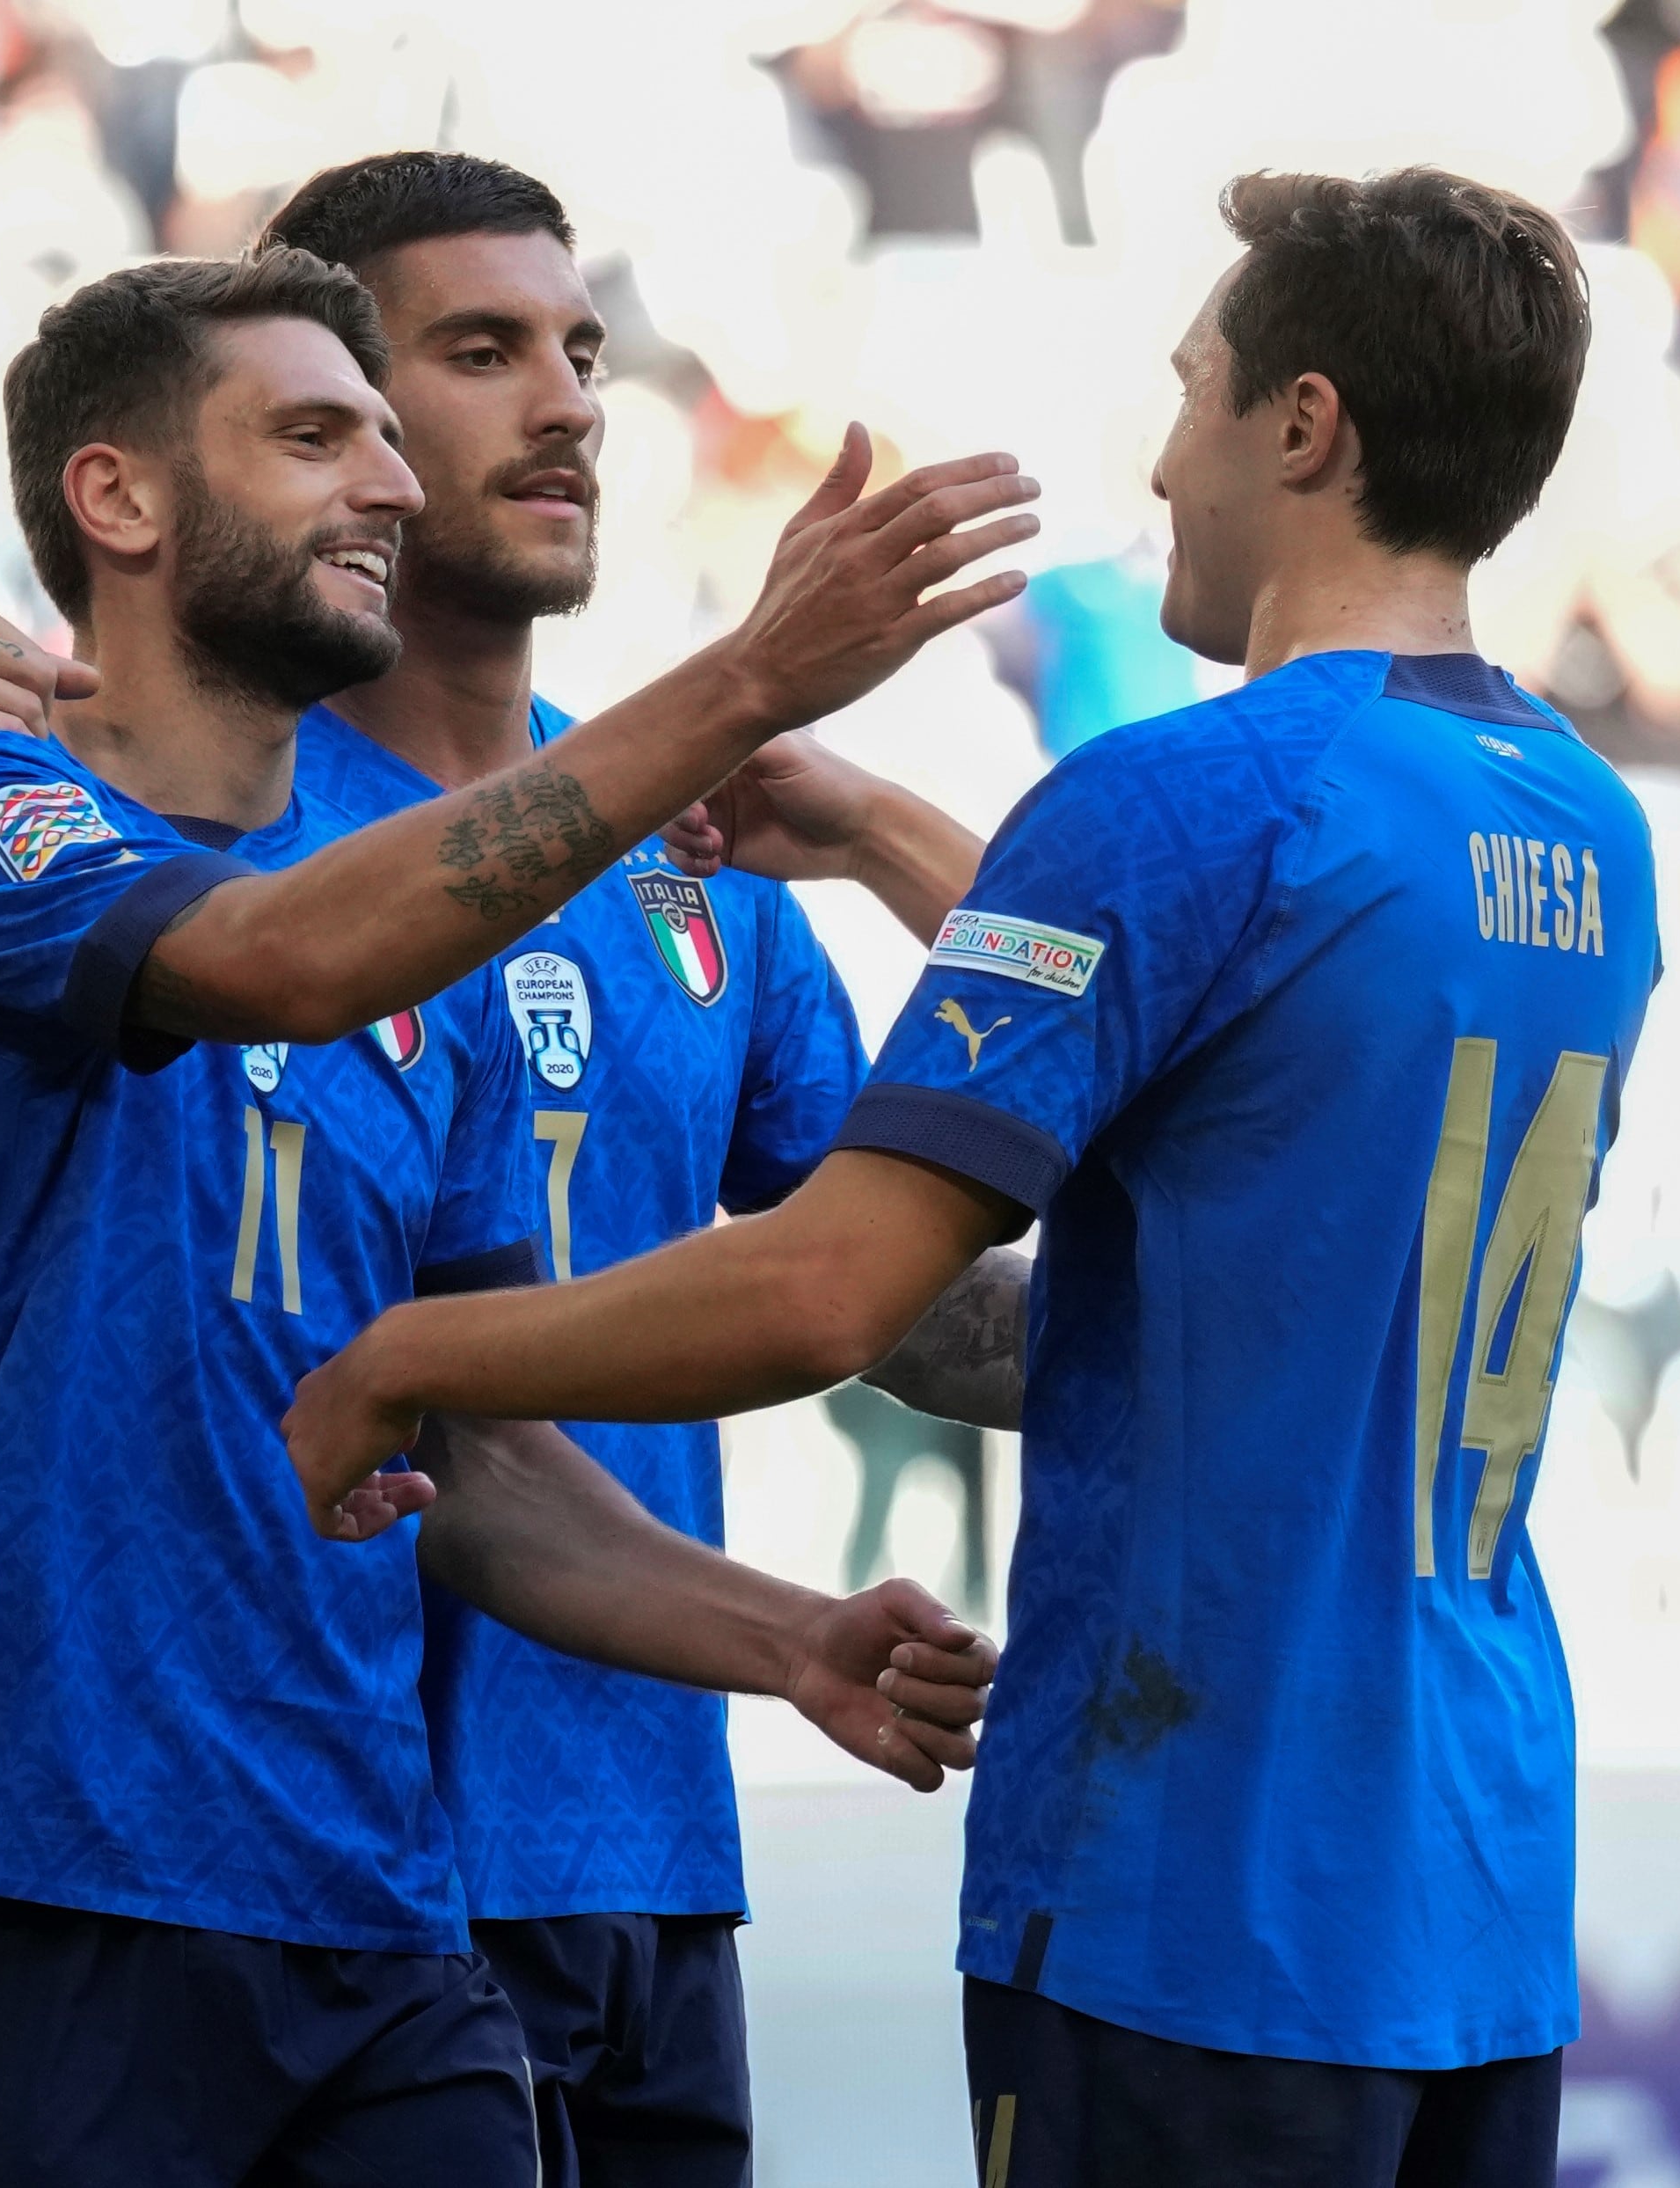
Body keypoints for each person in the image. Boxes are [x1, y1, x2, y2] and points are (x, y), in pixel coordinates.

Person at [285, 168, 1648, 2188]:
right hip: (1469, 1866)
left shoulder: (1184, 791)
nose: (1164, 462)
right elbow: (1223, 1075)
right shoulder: (1582, 821)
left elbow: (838, 1275)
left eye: (1194, 392)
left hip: (1197, 1872)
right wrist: (904, 837)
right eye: (490, 350)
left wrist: (404, 1352)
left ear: (1304, 426)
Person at [0, 250, 1035, 2184]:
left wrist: (790, 1635)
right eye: (323, 436)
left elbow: (477, 1452)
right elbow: (267, 957)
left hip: (377, 1909)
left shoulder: (444, 944)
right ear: (121, 499)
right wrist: (748, 674)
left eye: (396, 443)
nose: (397, 487)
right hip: (20, 1859)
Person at [248, 150, 1029, 2186]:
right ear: (325, 424)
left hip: (660, 1852)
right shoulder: (240, 844)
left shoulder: (712, 865)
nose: (573, 401)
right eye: (485, 348)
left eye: (581, 349)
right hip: (343, 1872)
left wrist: (1234, 1284)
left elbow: (908, 1306)